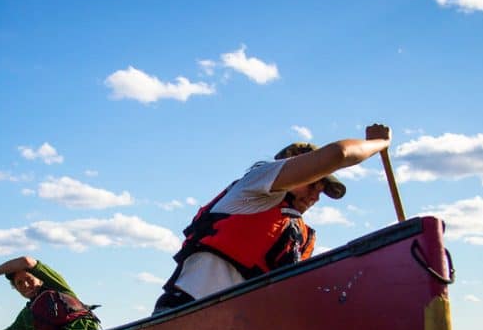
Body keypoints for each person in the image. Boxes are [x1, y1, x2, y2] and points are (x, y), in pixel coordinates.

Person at [153, 123, 392, 313]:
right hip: (186, 310)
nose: (315, 196)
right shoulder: (256, 187)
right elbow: (339, 154)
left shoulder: (297, 233)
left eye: (321, 191)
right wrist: (380, 142)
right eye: (312, 184)